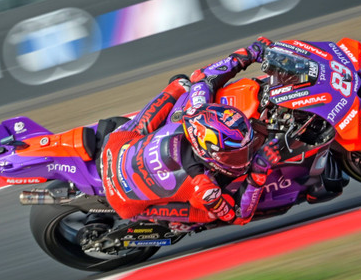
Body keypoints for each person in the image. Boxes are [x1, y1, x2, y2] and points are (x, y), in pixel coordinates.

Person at [100, 37, 280, 226]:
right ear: (207, 153)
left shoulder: (197, 108)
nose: (243, 157)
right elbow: (238, 217)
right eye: (232, 156)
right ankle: (160, 221)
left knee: (181, 83)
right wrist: (258, 173)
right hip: (122, 198)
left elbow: (203, 77)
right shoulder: (204, 187)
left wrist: (251, 53)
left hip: (117, 145)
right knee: (209, 215)